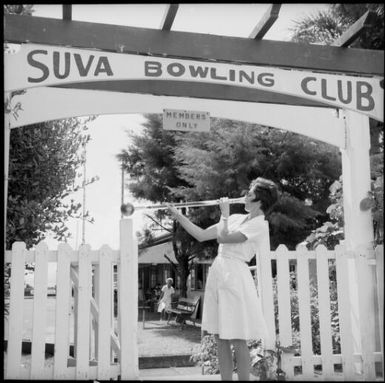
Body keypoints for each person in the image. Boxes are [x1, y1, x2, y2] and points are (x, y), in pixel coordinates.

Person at [167, 177, 278, 381]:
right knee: (220, 336)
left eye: (250, 194)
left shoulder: (260, 225)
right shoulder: (236, 218)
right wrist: (177, 216)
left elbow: (224, 238)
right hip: (219, 271)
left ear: (260, 200)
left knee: (237, 337)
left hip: (235, 275)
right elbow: (201, 235)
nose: (245, 195)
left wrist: (224, 216)